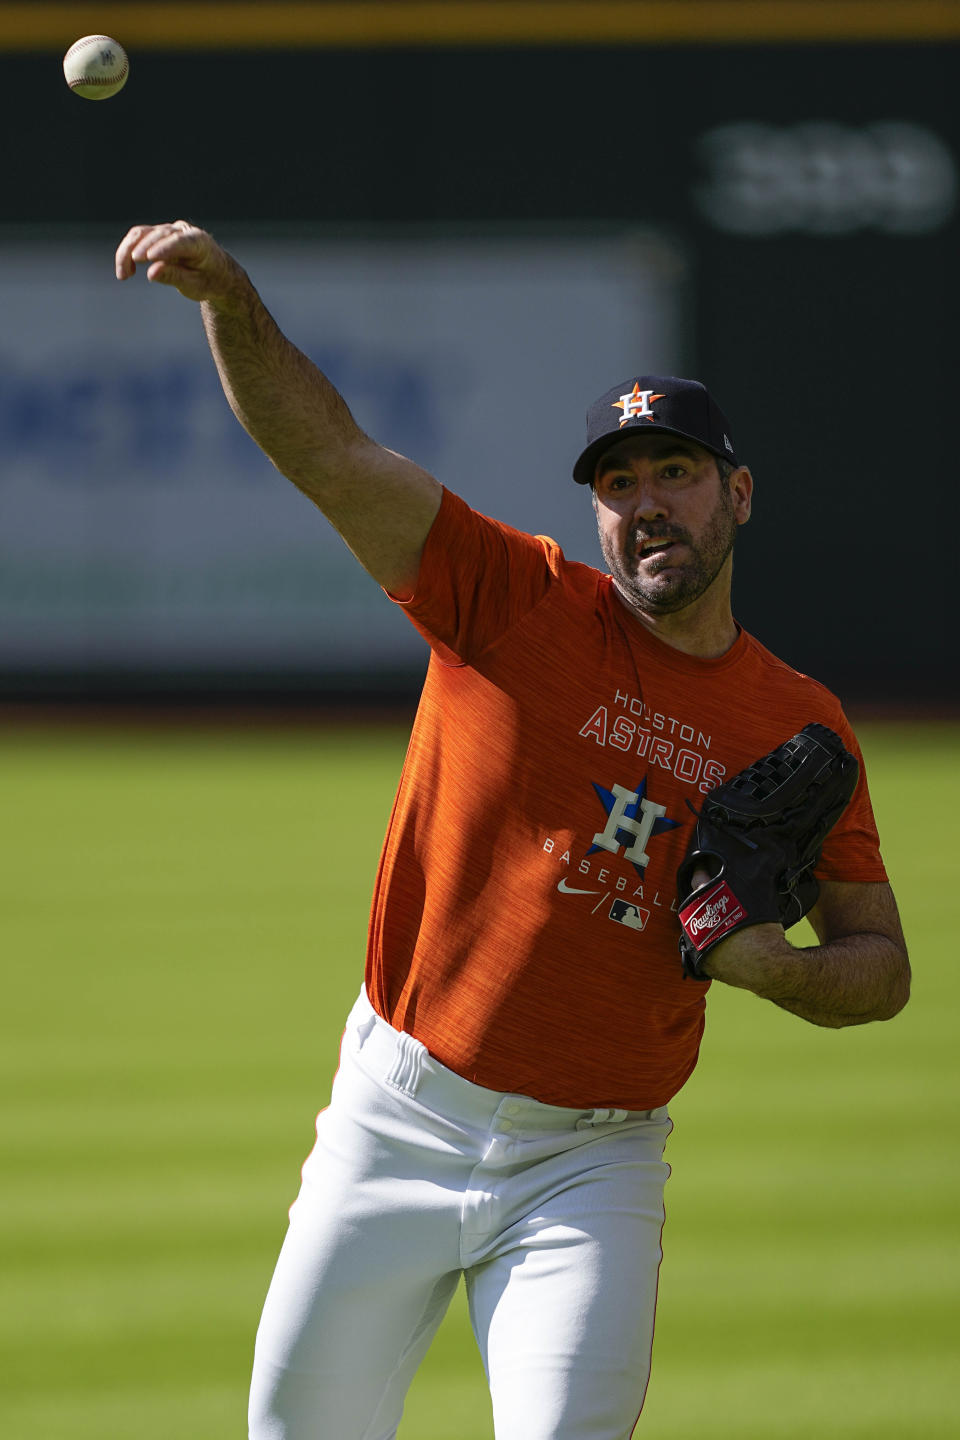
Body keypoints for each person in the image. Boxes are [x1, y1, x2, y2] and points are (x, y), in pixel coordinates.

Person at [115, 221, 910, 1440]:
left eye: (676, 472)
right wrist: (227, 293)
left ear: (739, 494)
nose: (647, 505)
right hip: (396, 1118)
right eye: (617, 482)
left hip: (590, 1166)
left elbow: (882, 967)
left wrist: (775, 967)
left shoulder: (799, 728)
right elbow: (326, 452)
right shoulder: (511, 597)